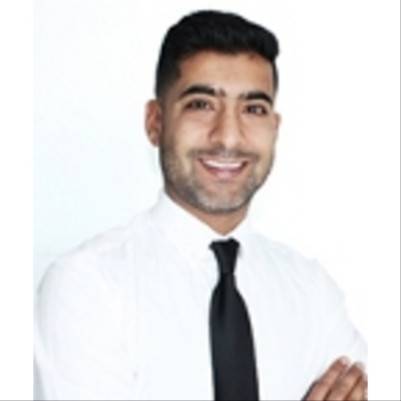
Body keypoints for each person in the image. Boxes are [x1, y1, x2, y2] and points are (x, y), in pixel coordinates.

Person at [35, 10, 368, 401]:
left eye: (253, 109)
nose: (228, 137)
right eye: (201, 104)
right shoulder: (87, 286)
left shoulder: (313, 294)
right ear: (155, 122)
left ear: (274, 128)